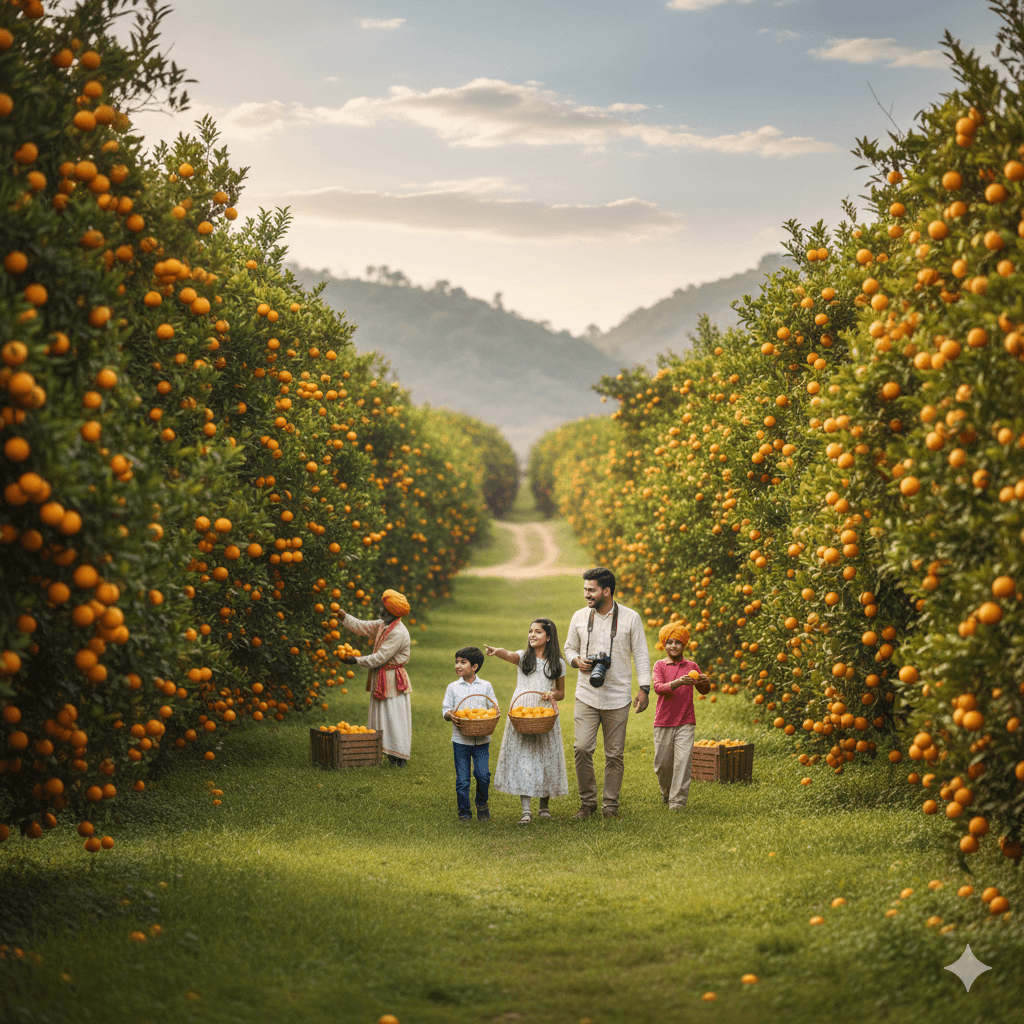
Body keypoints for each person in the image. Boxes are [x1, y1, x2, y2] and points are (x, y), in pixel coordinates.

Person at [564, 567, 652, 820]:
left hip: (617, 697)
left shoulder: (631, 618)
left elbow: (642, 655)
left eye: (591, 590)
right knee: (581, 748)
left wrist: (644, 689)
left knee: (614, 754)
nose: (586, 595)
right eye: (585, 590)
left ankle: (610, 805)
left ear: (607, 591)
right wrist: (575, 661)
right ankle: (587, 803)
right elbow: (569, 648)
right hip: (586, 695)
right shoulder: (579, 617)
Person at [487, 618, 569, 825]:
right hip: (522, 713)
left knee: (545, 757)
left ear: (549, 637)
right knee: (524, 758)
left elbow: (561, 693)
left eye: (538, 632)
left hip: (544, 714)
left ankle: (544, 805)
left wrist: (551, 694)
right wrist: (499, 652)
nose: (532, 635)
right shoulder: (524, 657)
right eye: (530, 631)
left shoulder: (557, 663)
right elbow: (510, 655)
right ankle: (526, 810)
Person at [339, 589, 412, 765]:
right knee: (381, 714)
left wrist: (355, 660)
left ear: (393, 613)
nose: (381, 611)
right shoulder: (383, 625)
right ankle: (381, 750)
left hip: (392, 679)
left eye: (384, 609)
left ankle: (399, 755)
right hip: (382, 677)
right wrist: (344, 617)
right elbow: (363, 626)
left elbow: (380, 658)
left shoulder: (398, 633)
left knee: (393, 716)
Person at [652, 621, 711, 810]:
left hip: (686, 721)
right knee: (662, 765)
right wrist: (678, 682)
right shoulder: (659, 665)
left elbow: (704, 690)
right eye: (669, 642)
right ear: (664, 644)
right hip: (663, 721)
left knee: (683, 762)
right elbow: (658, 688)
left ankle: (677, 802)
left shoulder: (691, 666)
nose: (673, 646)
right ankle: (667, 792)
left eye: (677, 642)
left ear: (684, 645)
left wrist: (705, 682)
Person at [441, 646, 496, 822]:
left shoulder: (485, 686)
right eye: (456, 662)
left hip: (482, 740)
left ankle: (482, 803)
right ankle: (464, 812)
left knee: (483, 775)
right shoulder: (453, 687)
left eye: (462, 662)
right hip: (460, 740)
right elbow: (446, 709)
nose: (458, 665)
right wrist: (450, 715)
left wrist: (491, 716)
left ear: (474, 667)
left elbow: (493, 708)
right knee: (462, 779)